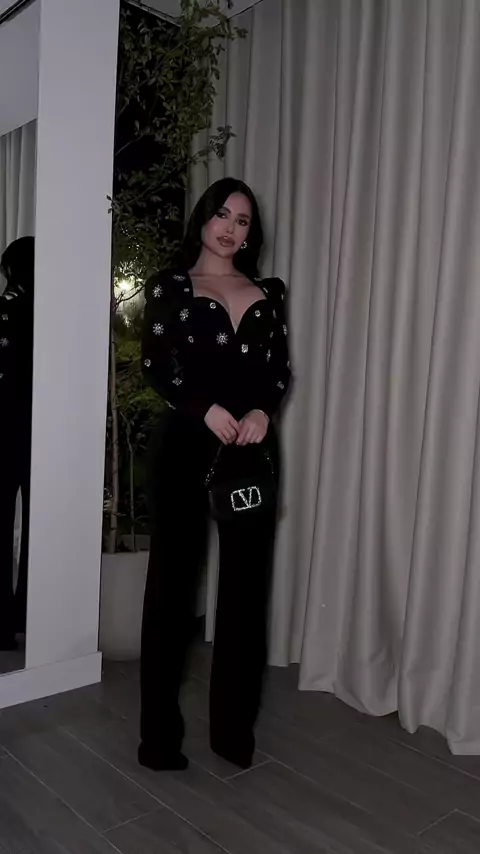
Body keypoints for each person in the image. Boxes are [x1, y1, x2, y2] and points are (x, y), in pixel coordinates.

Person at [140, 178, 291, 771]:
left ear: (251, 233)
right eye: (223, 215)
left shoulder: (268, 292)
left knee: (246, 594)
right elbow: (157, 365)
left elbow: (278, 371)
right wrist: (204, 408)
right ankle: (158, 739)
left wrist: (261, 412)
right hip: (185, 443)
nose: (231, 228)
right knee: (172, 591)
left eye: (243, 221)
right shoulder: (171, 286)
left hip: (249, 449)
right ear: (204, 218)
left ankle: (233, 733)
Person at [0, 236, 35, 650]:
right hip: (42, 429)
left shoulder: (5, 309)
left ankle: (3, 624)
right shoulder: (48, 313)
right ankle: (32, 613)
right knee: (41, 524)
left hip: (5, 429)